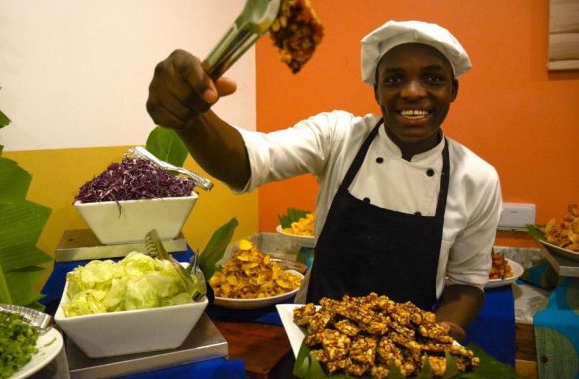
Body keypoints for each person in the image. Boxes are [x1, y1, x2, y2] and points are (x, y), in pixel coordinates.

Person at [146, 20, 502, 344]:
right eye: (394, 79)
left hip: (408, 352)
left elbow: (467, 283)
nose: (412, 92)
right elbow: (247, 162)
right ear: (376, 91)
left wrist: (441, 331)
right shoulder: (338, 136)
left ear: (453, 90)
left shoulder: (477, 179)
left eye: (433, 79)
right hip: (317, 342)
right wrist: (190, 118)